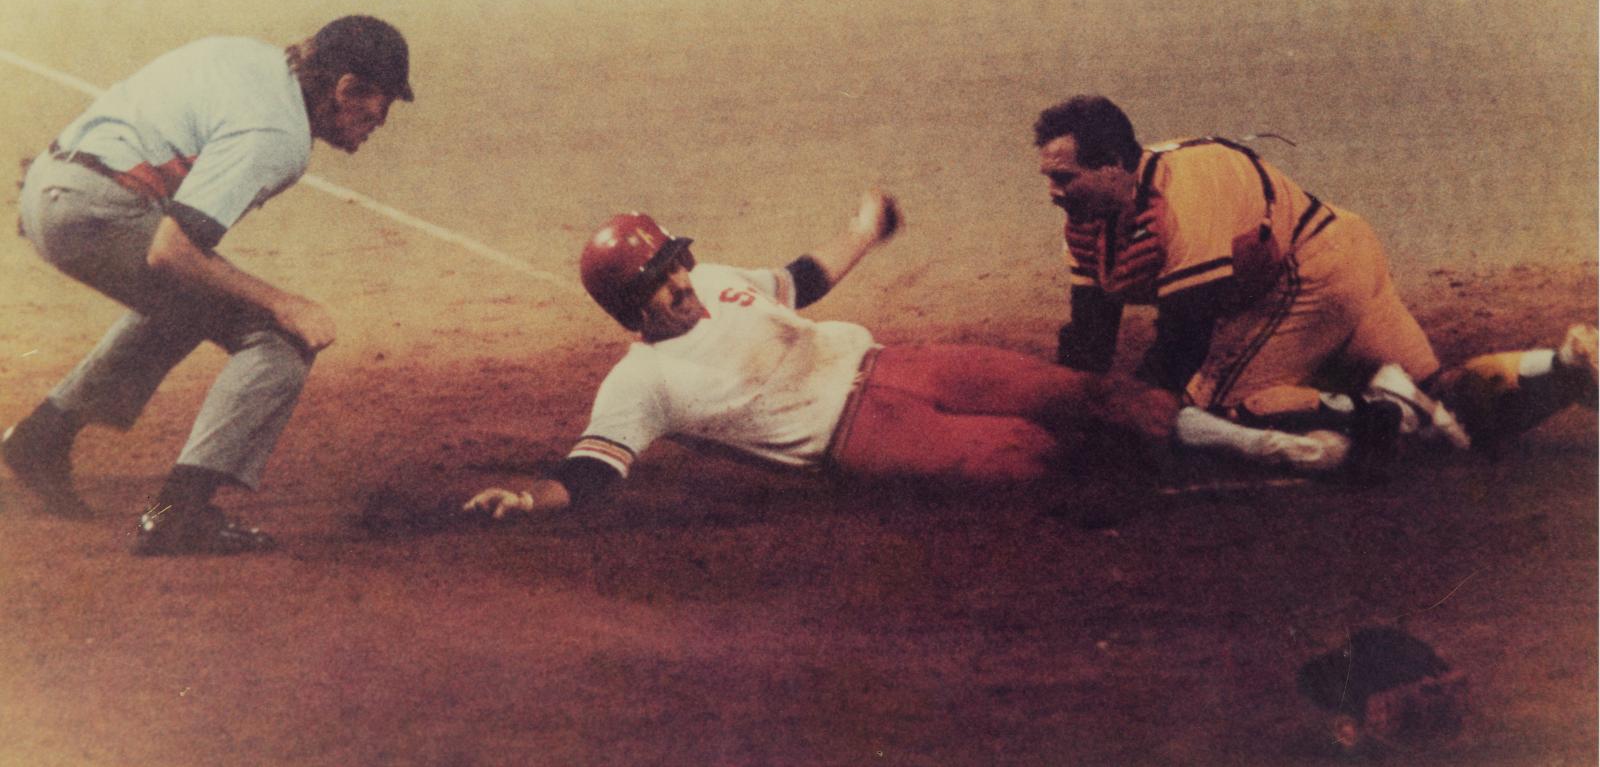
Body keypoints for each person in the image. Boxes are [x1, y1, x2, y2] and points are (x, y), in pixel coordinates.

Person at [464, 191, 1177, 521]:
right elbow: (588, 471)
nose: (682, 283)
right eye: (658, 281)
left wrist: (863, 229)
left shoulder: (715, 278)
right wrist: (529, 497)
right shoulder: (639, 383)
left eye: (676, 264)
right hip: (858, 435)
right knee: (1025, 453)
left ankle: (1218, 435)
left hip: (895, 363)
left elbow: (801, 279)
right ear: (629, 307)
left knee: (1080, 391)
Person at [4, 16, 413, 554]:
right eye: (382, 101)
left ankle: (42, 437)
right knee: (277, 339)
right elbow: (172, 250)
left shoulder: (252, 57)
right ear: (346, 89)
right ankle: (177, 514)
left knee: (190, 304)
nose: (381, 119)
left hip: (51, 187)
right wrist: (282, 303)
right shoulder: (278, 136)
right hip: (93, 208)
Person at [1033, 94, 1597, 478]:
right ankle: (1562, 366)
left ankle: (1383, 409)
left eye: (1064, 176)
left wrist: (1131, 414)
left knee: (1218, 409)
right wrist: (1073, 406)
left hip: (1306, 280)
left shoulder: (1184, 193)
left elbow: (1186, 333)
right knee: (1445, 402)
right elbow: (1090, 329)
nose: (1054, 191)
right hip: (1340, 251)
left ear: (1111, 164)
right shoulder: (1090, 217)